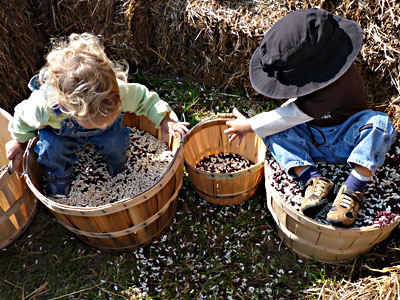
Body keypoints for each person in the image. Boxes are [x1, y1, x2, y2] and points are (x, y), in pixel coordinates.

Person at [224, 8, 396, 227]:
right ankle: (312, 178)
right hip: (313, 136)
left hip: (347, 139)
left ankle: (353, 188)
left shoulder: (332, 88)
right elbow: (293, 109)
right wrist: (263, 124)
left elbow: (291, 115)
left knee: (381, 125)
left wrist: (249, 124)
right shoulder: (321, 72)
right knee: (272, 132)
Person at [6, 33, 189, 197]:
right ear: (68, 107)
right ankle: (59, 177)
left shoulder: (116, 91)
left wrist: (164, 119)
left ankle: (118, 166)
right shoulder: (43, 106)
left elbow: (145, 100)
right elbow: (22, 120)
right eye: (96, 122)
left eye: (109, 116)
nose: (102, 125)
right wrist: (19, 141)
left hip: (107, 135)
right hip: (60, 134)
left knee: (115, 142)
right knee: (51, 150)